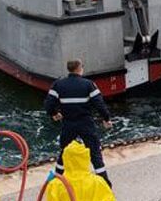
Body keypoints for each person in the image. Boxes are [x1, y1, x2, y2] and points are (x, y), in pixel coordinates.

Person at [44, 59, 113, 187]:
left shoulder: (58, 85)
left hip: (68, 124)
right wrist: (106, 118)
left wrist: (54, 114)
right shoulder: (88, 84)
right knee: (94, 153)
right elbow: (99, 104)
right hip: (85, 123)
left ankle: (56, 180)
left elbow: (48, 104)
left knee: (65, 151)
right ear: (80, 68)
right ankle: (104, 184)